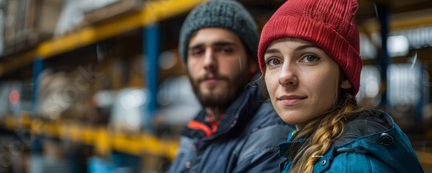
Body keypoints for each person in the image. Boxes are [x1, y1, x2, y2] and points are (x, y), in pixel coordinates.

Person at [257, 0, 424, 172]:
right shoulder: (305, 145)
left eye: (309, 57)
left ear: (344, 77)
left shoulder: (353, 163)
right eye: (274, 61)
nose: (285, 76)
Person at [168, 0, 294, 172]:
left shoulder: (269, 131)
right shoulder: (200, 126)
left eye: (225, 50)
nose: (208, 62)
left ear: (251, 61)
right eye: (198, 52)